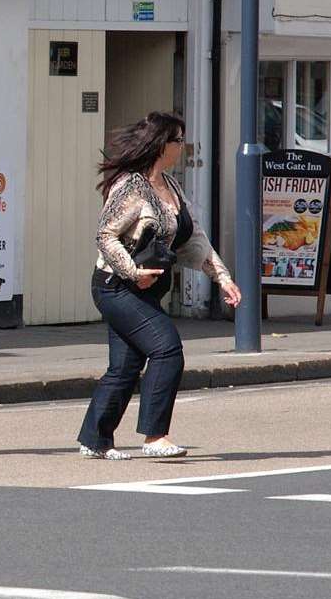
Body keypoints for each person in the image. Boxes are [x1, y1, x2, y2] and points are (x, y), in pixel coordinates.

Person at [78, 111, 241, 461]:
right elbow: (105, 235)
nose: (182, 147)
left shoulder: (171, 186)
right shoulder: (131, 186)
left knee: (124, 367)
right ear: (161, 144)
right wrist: (134, 272)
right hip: (116, 286)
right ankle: (155, 436)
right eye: (178, 140)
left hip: (148, 289)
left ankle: (95, 439)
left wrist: (223, 277)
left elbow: (193, 239)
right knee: (167, 349)